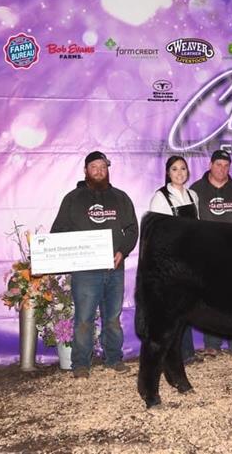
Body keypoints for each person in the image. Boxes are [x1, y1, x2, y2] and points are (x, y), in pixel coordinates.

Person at [51, 151, 138, 378]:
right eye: (94, 167)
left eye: (103, 167)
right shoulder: (72, 199)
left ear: (107, 170)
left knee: (113, 319)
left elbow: (132, 229)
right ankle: (81, 364)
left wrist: (122, 251)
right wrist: (78, 249)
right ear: (85, 170)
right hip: (85, 272)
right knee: (83, 320)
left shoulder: (120, 198)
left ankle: (114, 358)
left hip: (114, 269)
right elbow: (58, 231)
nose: (99, 171)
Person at [191, 150, 232, 355]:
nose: (222, 169)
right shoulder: (195, 190)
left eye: (226, 166)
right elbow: (189, 223)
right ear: (210, 165)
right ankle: (212, 344)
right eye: (218, 164)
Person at [149, 155, 201, 365]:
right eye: (175, 169)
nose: (179, 173)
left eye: (183, 168)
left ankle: (187, 353)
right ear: (167, 173)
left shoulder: (193, 195)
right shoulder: (160, 197)